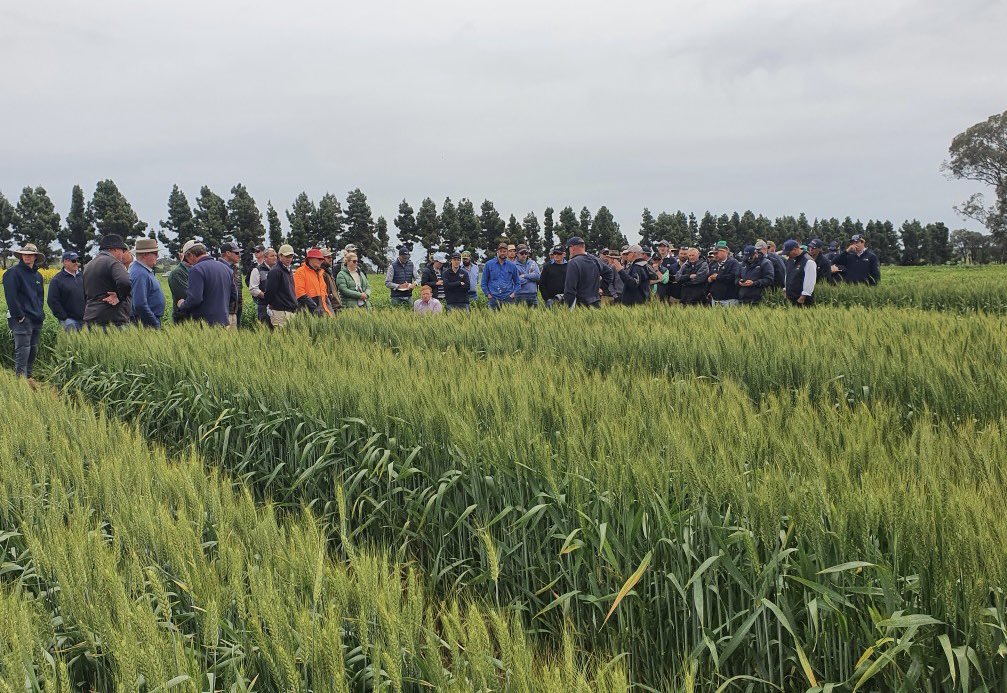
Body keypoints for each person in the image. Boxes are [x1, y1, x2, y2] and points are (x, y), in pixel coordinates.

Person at [3, 243, 45, 382]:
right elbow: (11, 296)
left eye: (30, 254)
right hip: (22, 319)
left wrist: (41, 313)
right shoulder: (12, 273)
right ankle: (20, 381)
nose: (27, 256)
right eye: (25, 254)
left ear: (35, 257)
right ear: (21, 255)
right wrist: (19, 316)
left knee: (33, 349)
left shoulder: (38, 276)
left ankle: (28, 377)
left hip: (36, 318)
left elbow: (40, 297)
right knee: (23, 349)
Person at [177, 243, 236, 326]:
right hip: (223, 321)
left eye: (186, 258)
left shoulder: (196, 269)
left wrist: (182, 305)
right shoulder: (226, 268)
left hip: (204, 324)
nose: (189, 262)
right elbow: (234, 296)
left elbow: (195, 298)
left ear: (191, 255)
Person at [83, 234, 133, 329]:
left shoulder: (89, 265)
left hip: (91, 318)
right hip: (113, 321)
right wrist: (119, 296)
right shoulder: (113, 262)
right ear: (114, 249)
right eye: (122, 250)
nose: (122, 255)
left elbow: (84, 292)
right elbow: (125, 282)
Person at [563, 236, 610, 308]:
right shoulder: (595, 259)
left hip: (581, 305)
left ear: (573, 248)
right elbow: (609, 272)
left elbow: (570, 289)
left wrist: (567, 307)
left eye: (569, 248)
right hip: (596, 303)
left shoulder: (573, 263)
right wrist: (601, 287)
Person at [129, 238, 165, 328]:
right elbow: (140, 304)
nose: (157, 256)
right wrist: (154, 324)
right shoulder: (140, 273)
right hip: (145, 324)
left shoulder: (142, 270)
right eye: (155, 253)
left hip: (146, 321)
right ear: (145, 255)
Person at [47, 250, 85, 331]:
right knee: (72, 344)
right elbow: (52, 300)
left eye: (78, 260)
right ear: (65, 262)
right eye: (73, 260)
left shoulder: (82, 276)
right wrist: (64, 317)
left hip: (84, 320)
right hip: (69, 321)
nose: (76, 263)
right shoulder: (57, 279)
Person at [264, 244, 299, 326]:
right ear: (280, 256)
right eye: (286, 256)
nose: (289, 259)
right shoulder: (276, 271)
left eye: (291, 256)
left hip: (289, 311)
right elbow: (270, 292)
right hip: (279, 313)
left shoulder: (287, 270)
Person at [293, 247, 334, 317]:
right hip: (307, 313)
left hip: (322, 312)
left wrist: (329, 312)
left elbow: (324, 295)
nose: (321, 261)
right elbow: (300, 294)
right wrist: (315, 308)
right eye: (319, 259)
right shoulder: (300, 272)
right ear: (310, 259)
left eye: (322, 259)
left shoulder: (320, 273)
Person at [481, 242, 521, 309]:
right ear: (497, 252)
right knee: (492, 319)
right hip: (493, 299)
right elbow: (483, 282)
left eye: (504, 251)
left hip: (508, 298)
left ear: (507, 252)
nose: (502, 253)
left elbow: (518, 282)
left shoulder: (512, 266)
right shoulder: (489, 264)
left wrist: (513, 294)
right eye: (501, 251)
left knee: (508, 319)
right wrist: (488, 294)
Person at [168, 240, 200, 323]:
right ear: (188, 255)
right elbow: (187, 295)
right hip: (184, 318)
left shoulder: (197, 269)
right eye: (197, 253)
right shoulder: (178, 273)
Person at [783, 239, 816, 306]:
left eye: (788, 253)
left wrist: (802, 298)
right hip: (790, 298)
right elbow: (788, 276)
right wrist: (785, 290)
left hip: (802, 300)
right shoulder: (790, 260)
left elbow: (810, 281)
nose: (787, 255)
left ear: (795, 249)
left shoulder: (809, 261)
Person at [707, 240, 741, 307]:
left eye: (717, 253)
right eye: (714, 253)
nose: (715, 255)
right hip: (715, 299)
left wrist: (717, 277)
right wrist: (709, 281)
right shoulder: (712, 264)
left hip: (729, 299)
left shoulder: (733, 263)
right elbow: (709, 277)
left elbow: (733, 277)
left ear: (724, 252)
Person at [250, 247, 277, 325]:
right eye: (272, 256)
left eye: (276, 255)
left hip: (278, 307)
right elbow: (253, 289)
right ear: (265, 258)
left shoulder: (278, 270)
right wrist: (267, 296)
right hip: (264, 307)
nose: (275, 258)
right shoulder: (257, 270)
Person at [219, 241, 243, 328]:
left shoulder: (236, 269)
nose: (239, 255)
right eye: (236, 253)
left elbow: (238, 291)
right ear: (228, 253)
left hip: (235, 312)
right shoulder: (218, 268)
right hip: (224, 313)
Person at [319, 248, 342, 314]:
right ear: (321, 259)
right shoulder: (322, 273)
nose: (331, 259)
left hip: (335, 307)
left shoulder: (328, 272)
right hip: (331, 308)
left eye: (331, 257)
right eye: (328, 257)